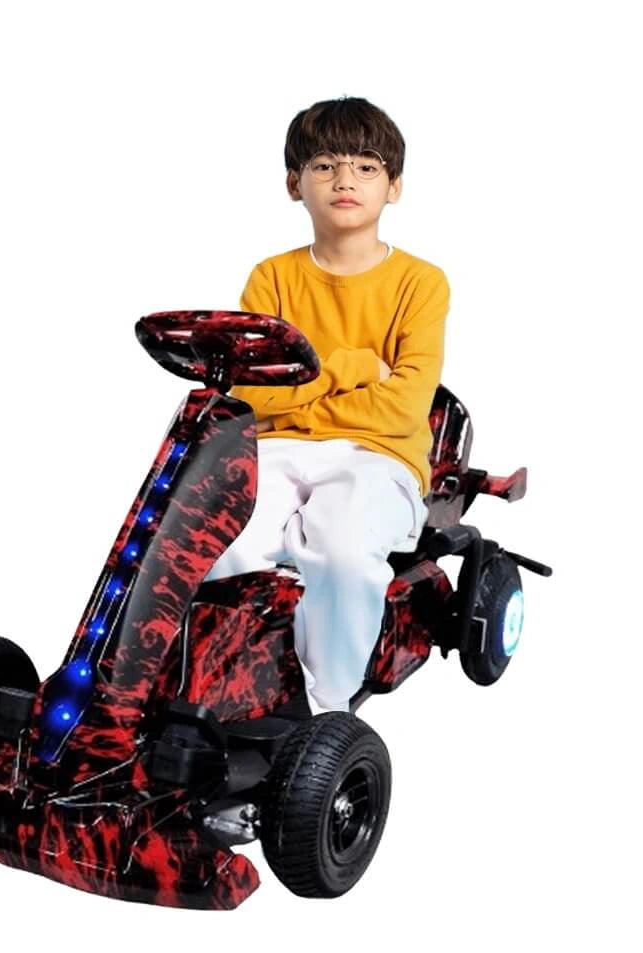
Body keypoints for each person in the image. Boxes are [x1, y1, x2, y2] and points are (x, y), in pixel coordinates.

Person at [202, 96, 450, 714]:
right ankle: (222, 692)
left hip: (379, 455)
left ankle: (328, 709)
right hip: (278, 448)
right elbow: (252, 392)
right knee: (216, 545)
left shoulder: (420, 283)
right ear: (295, 184)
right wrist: (356, 369)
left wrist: (296, 398)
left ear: (393, 186)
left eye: (366, 167)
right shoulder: (273, 278)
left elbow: (403, 408)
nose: (345, 180)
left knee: (339, 546)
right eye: (324, 166)